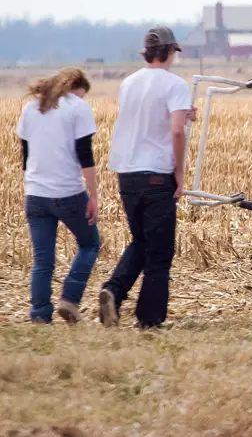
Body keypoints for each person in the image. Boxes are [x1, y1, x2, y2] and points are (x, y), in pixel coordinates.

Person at [98, 27, 196, 329]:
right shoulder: (175, 84)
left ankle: (113, 291)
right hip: (156, 173)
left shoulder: (129, 83)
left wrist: (182, 113)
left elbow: (149, 116)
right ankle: (149, 319)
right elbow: (176, 130)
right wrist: (179, 172)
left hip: (126, 173)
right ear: (169, 51)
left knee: (141, 240)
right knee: (160, 250)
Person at [17, 68, 101, 324]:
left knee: (43, 260)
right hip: (67, 192)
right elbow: (85, 154)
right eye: (81, 94)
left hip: (35, 194)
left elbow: (25, 155)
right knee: (90, 243)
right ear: (75, 88)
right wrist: (93, 195)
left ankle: (40, 315)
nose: (81, 98)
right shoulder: (78, 108)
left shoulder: (32, 108)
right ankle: (70, 299)